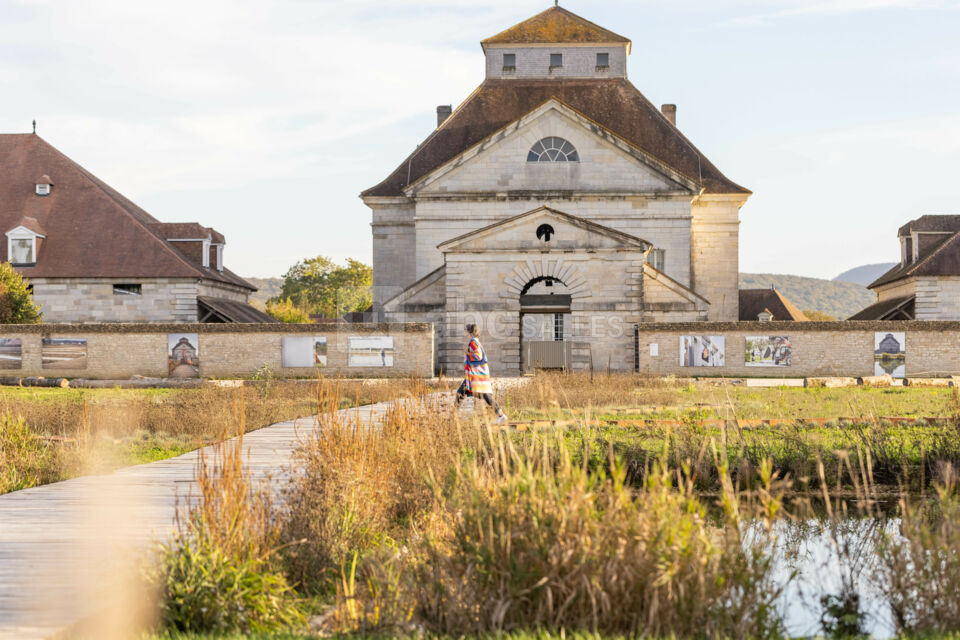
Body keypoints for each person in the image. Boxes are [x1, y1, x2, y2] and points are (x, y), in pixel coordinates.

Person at [455, 324, 507, 423]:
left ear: (469, 331)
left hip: (476, 375)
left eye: (465, 330)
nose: (464, 332)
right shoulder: (475, 341)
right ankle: (500, 414)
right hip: (477, 374)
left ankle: (455, 417)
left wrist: (467, 353)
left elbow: (478, 356)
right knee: (484, 395)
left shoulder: (473, 342)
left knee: (460, 393)